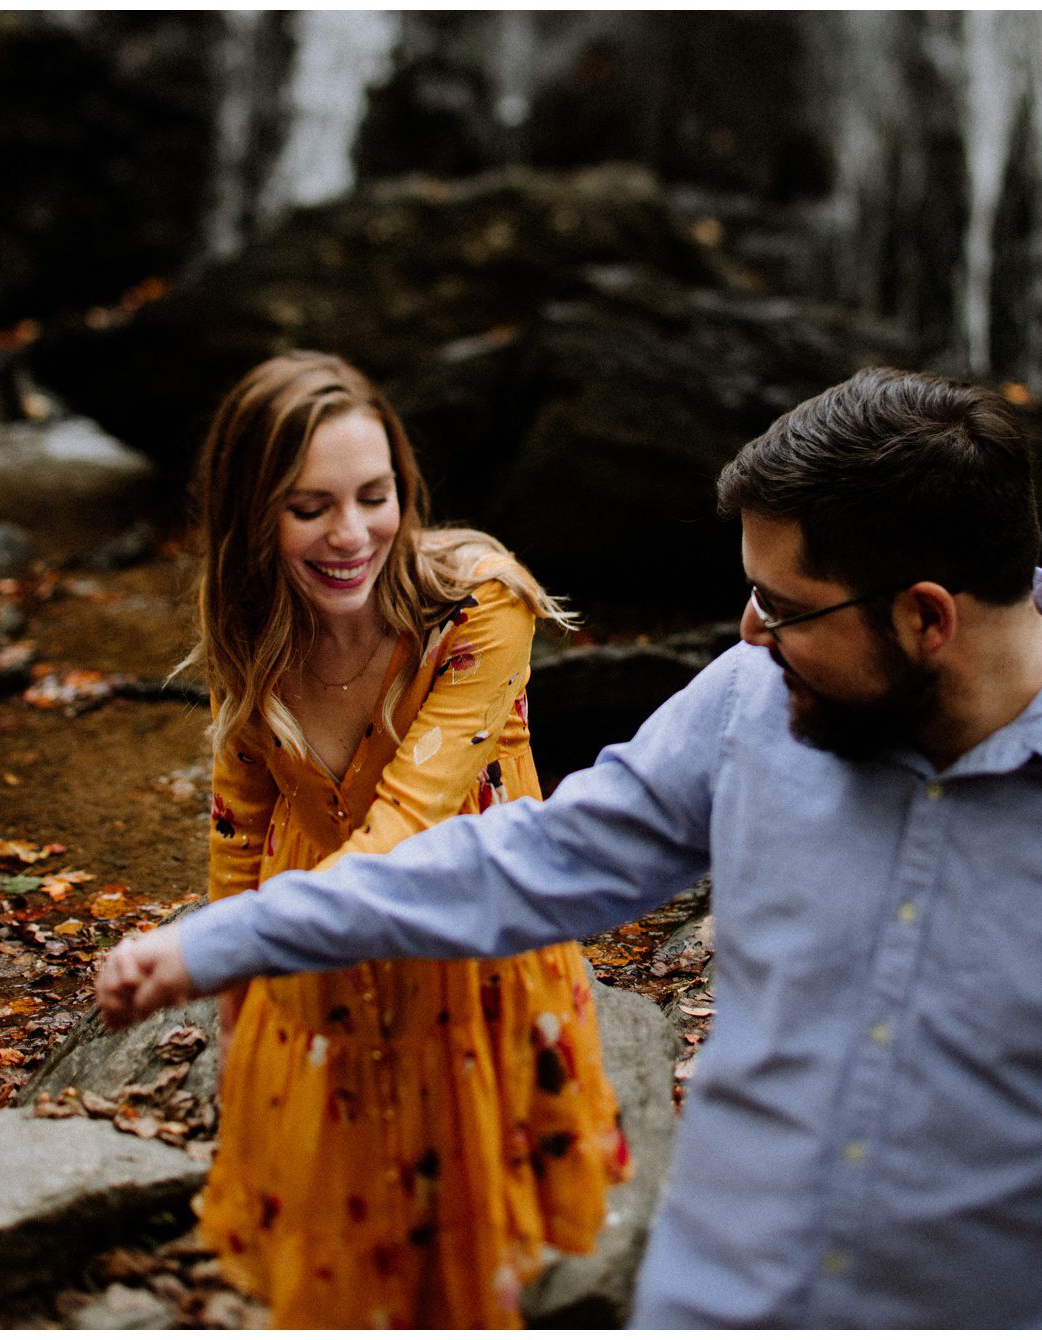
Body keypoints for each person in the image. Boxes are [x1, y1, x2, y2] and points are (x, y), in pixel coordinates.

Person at [100, 367, 1042, 1328]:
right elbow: (520, 859)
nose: (744, 634)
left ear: (927, 614)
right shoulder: (753, 705)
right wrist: (224, 937)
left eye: (781, 603)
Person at [154, 350, 629, 1328]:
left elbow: (407, 823)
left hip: (460, 961)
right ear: (253, 517)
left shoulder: (477, 605)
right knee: (343, 1247)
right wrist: (237, 993)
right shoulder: (252, 622)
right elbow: (239, 814)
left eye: (374, 496)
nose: (351, 533)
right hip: (310, 975)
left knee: (458, 1252)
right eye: (308, 506)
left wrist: (225, 943)